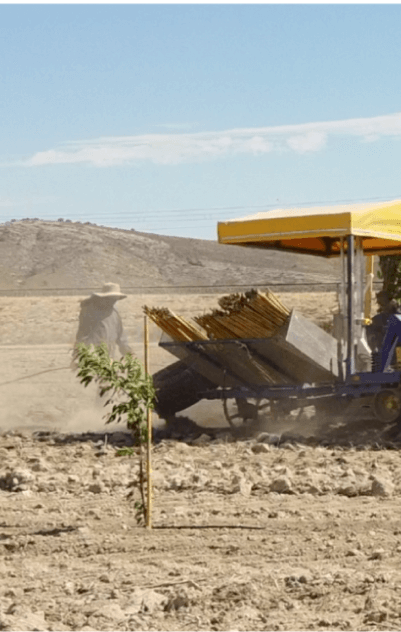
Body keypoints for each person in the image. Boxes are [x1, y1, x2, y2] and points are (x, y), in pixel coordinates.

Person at [74, 282, 133, 360]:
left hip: (110, 354)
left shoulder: (114, 313)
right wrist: (77, 355)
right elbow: (82, 334)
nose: (113, 301)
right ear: (104, 297)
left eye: (115, 299)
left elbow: (121, 336)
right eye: (111, 298)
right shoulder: (90, 311)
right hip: (93, 356)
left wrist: (128, 353)